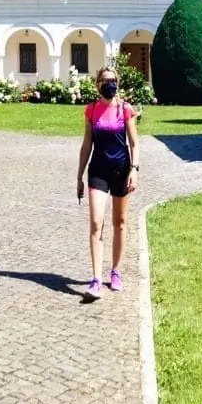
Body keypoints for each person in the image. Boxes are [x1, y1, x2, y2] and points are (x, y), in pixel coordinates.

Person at [76, 67, 141, 300]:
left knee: (120, 222)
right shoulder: (92, 110)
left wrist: (134, 170)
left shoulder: (125, 110)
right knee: (96, 222)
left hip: (122, 170)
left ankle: (115, 271)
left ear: (118, 82)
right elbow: (86, 145)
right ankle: (95, 279)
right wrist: (79, 176)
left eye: (112, 80)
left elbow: (134, 143)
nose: (108, 83)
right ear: (97, 84)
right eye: (104, 80)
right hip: (98, 171)